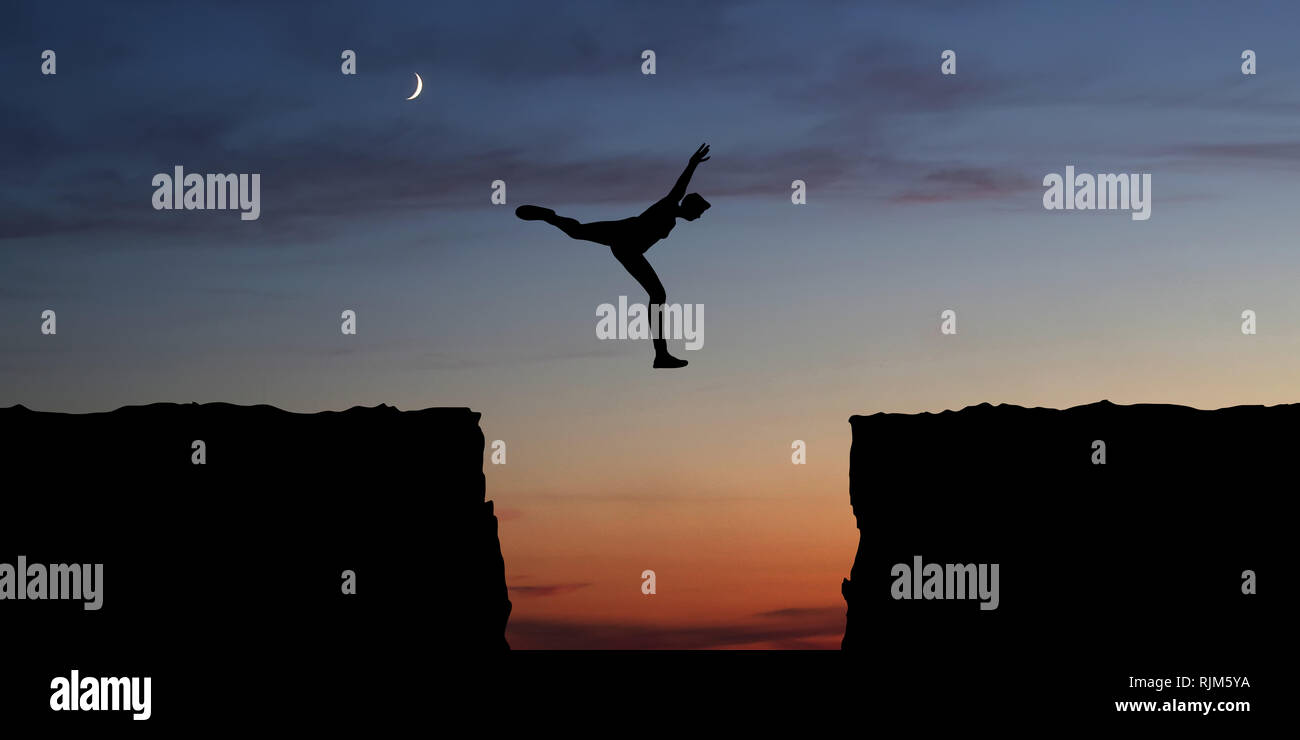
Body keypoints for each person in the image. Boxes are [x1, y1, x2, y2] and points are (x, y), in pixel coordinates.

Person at [516, 143, 711, 368]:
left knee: (656, 294)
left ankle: (661, 355)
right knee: (578, 232)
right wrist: (692, 164)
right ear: (690, 207)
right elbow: (680, 187)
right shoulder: (669, 206)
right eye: (699, 212)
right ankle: (549, 216)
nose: (699, 218)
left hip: (627, 248)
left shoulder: (672, 216)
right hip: (624, 235)